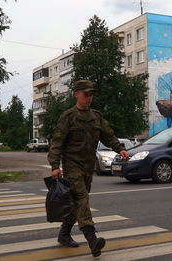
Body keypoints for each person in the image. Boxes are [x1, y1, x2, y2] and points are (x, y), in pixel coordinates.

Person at [47, 80, 129, 257]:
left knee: (78, 204)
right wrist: (55, 166)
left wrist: (120, 148)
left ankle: (64, 234)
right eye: (86, 94)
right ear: (76, 94)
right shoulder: (68, 117)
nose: (89, 98)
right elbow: (57, 143)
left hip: (88, 167)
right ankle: (92, 239)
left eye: (91, 94)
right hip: (72, 166)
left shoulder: (96, 117)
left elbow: (109, 135)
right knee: (82, 198)